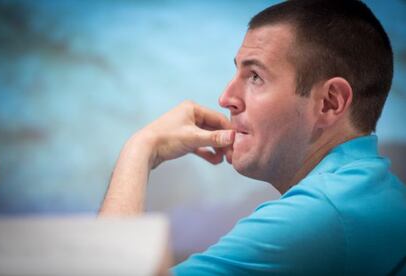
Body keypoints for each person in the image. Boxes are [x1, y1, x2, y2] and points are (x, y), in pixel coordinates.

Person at [99, 0, 406, 275]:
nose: (226, 98)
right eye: (237, 73)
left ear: (329, 103)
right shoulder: (374, 191)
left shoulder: (322, 214)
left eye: (256, 77)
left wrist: (141, 148)